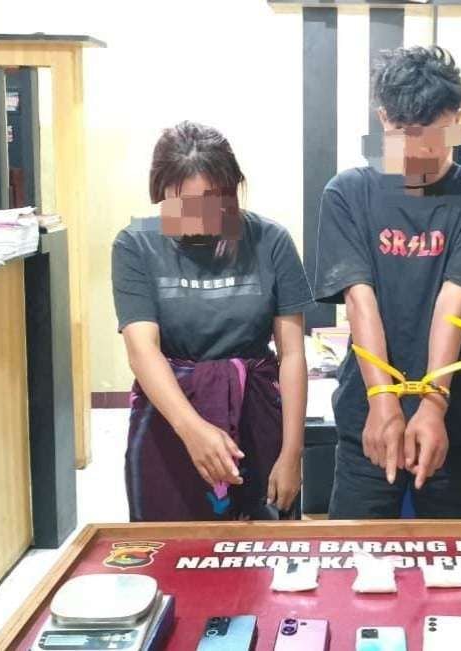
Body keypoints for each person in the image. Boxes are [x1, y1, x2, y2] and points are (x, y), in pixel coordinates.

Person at [314, 46, 461, 519]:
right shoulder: (348, 193)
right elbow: (360, 301)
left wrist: (433, 405)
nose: (419, 149)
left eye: (433, 133)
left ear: (456, 119)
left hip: (448, 417)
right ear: (384, 119)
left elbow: (453, 301)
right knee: (356, 554)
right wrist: (382, 400)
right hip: (366, 411)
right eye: (404, 133)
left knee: (453, 555)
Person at [111, 121, 313, 521]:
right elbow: (142, 350)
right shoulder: (136, 244)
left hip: (257, 414)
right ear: (162, 191)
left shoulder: (270, 240)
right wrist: (192, 430)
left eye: (216, 200)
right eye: (187, 202)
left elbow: (292, 354)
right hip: (171, 415)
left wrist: (292, 453)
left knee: (266, 547)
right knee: (172, 547)